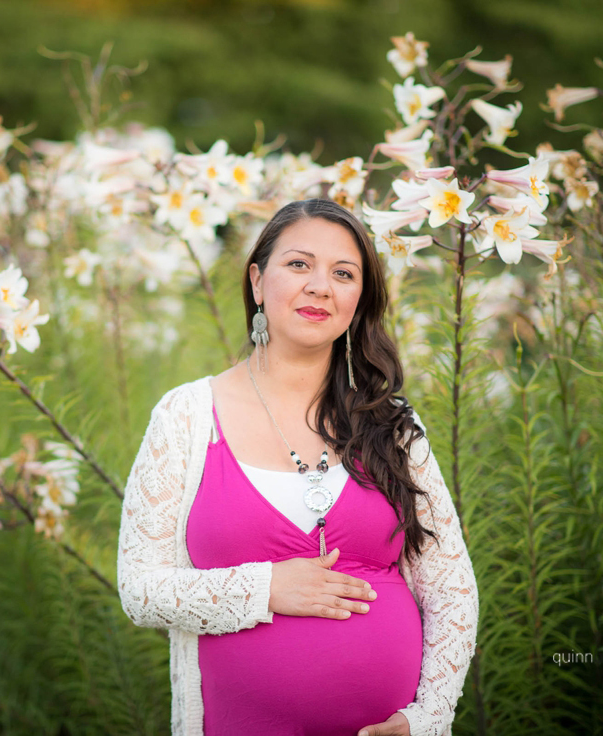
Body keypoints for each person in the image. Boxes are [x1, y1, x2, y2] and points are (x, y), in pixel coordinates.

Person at [116, 198, 478, 736]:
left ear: (359, 299)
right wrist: (265, 588)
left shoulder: (392, 426)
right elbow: (140, 589)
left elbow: (452, 590)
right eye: (299, 265)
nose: (320, 286)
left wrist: (425, 719)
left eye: (343, 273)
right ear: (258, 282)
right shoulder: (187, 417)